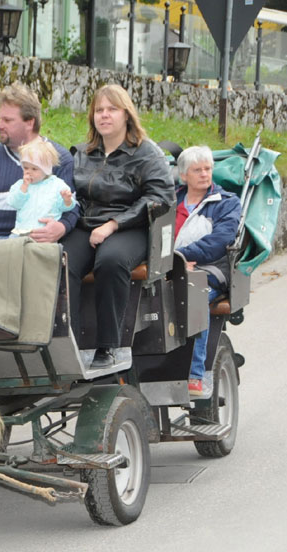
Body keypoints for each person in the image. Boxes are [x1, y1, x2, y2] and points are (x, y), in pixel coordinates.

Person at [65, 84, 176, 369]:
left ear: (126, 114)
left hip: (132, 227)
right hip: (86, 223)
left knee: (111, 261)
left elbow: (161, 198)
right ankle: (69, 344)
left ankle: (108, 346)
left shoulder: (147, 154)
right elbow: (68, 193)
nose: (104, 115)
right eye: (99, 110)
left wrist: (114, 224)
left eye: (112, 109)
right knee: (59, 261)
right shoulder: (82, 153)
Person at [0, 82, 76, 243]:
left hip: (36, 240)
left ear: (30, 122)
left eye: (7, 120)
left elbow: (72, 206)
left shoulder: (59, 158)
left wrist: (62, 226)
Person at [173, 145, 241, 395]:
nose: (204, 174)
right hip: (169, 267)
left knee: (195, 294)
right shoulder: (170, 200)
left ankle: (195, 374)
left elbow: (220, 241)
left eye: (208, 169)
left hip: (210, 271)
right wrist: (174, 262)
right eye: (197, 170)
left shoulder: (227, 203)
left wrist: (181, 257)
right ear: (183, 176)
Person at [6, 139, 76, 236]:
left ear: (46, 169)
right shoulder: (20, 185)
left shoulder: (57, 185)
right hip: (21, 232)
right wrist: (23, 189)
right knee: (12, 249)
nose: (28, 172)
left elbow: (64, 208)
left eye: (34, 169)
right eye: (26, 167)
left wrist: (67, 200)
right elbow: (14, 203)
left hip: (44, 234)